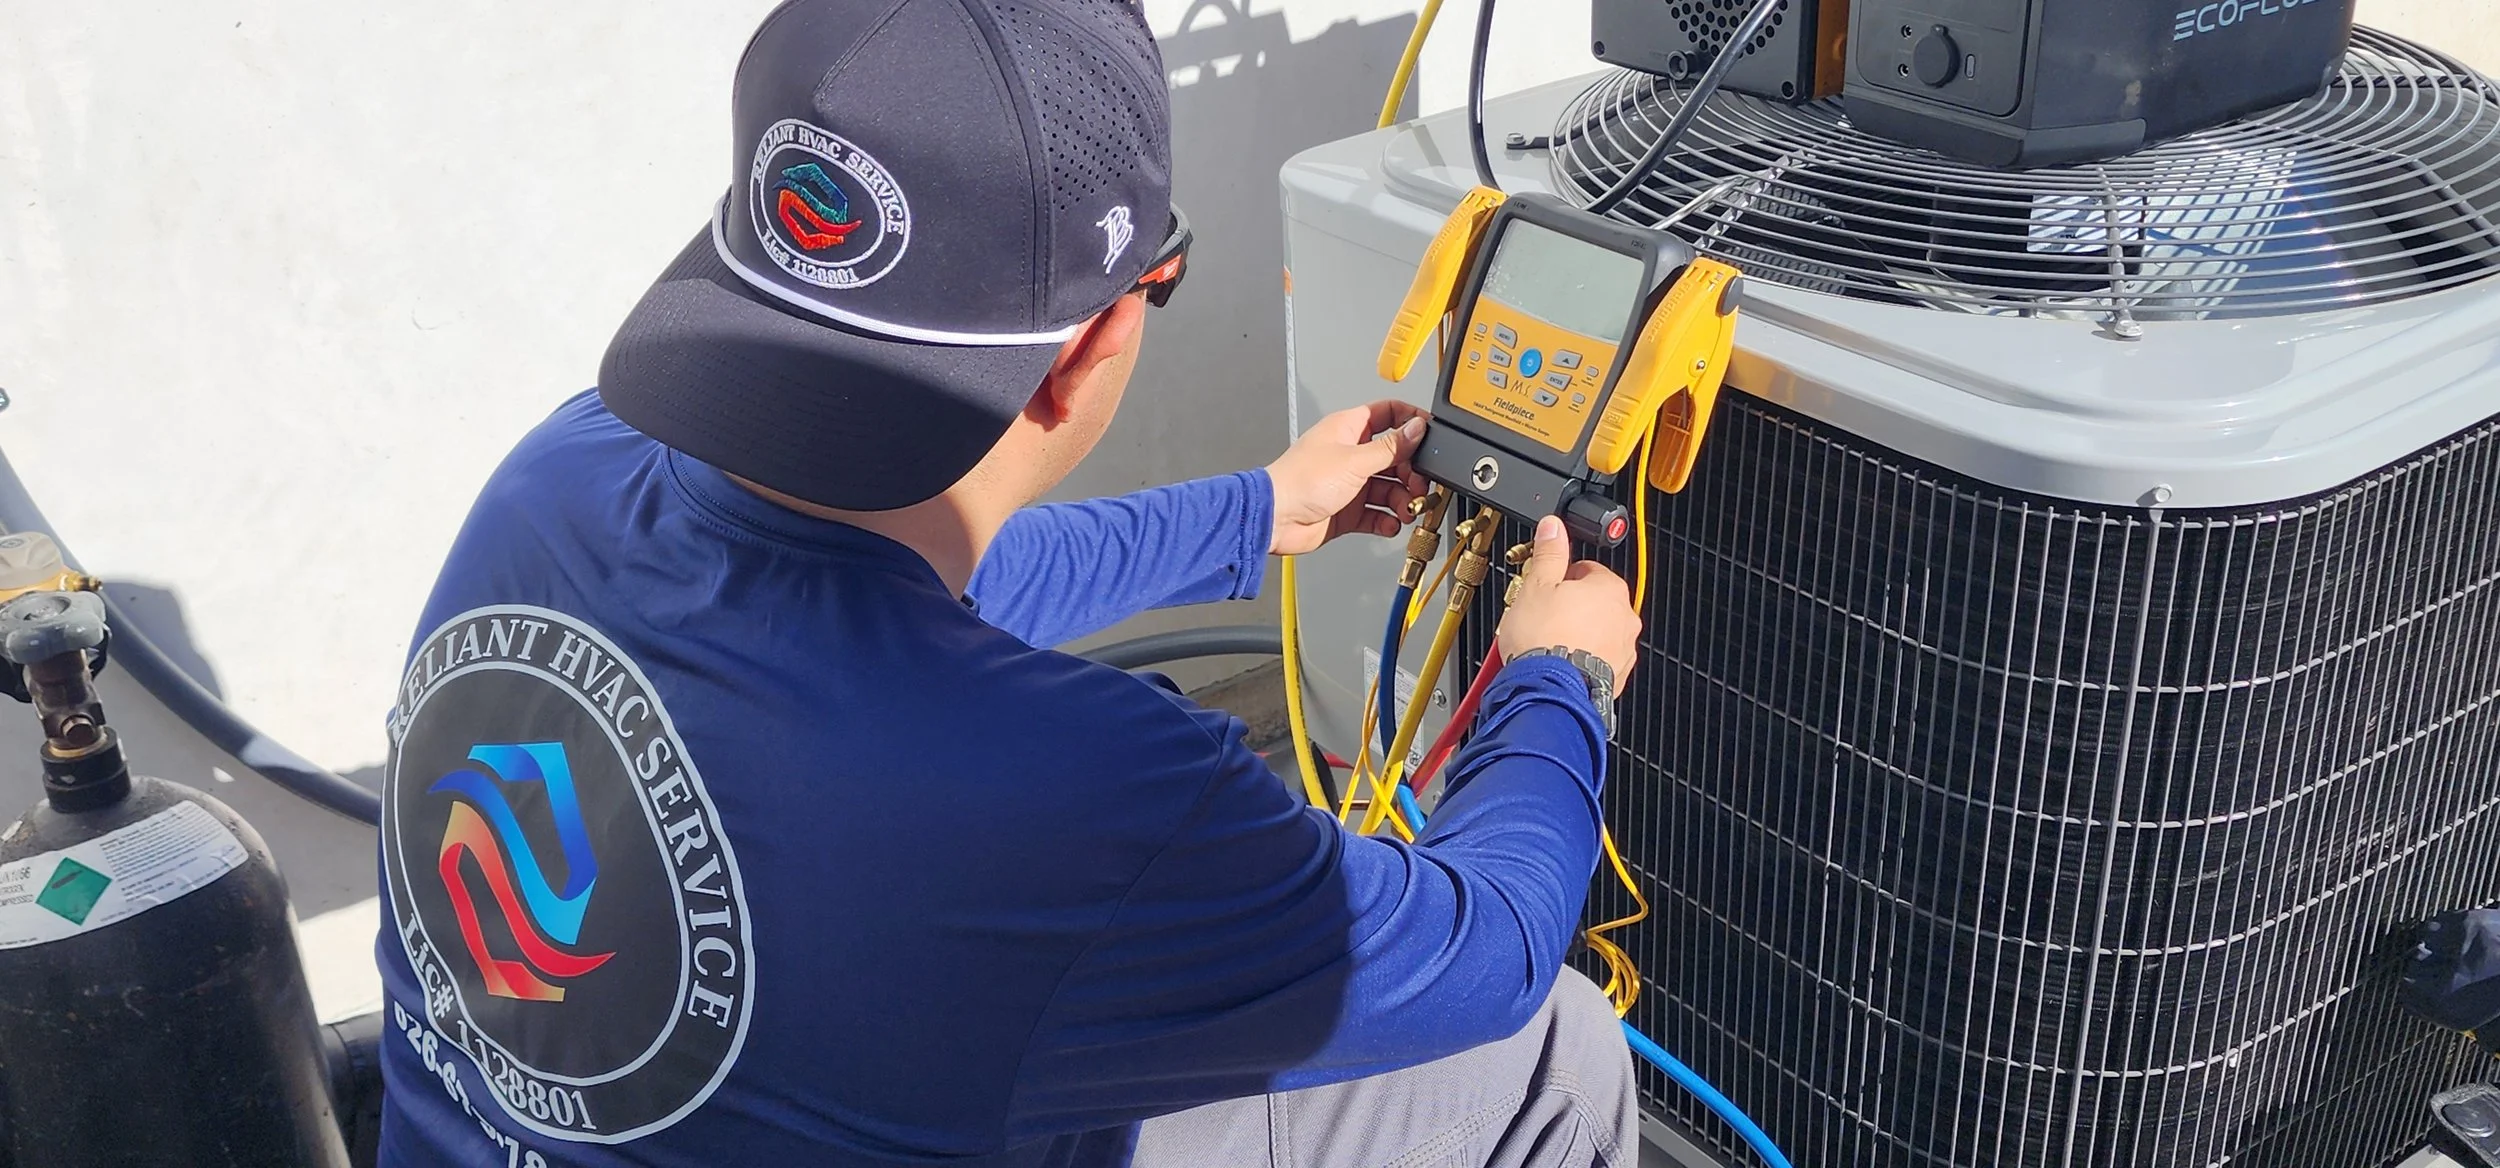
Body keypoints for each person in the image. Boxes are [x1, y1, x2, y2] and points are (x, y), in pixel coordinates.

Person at [373, 0, 1644, 1164]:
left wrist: (1256, 510)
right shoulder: (1088, 793)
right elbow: (1485, 952)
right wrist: (1556, 675)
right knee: (1557, 1052)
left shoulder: (562, 467)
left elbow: (881, 600)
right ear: (1099, 339)